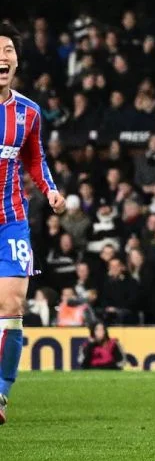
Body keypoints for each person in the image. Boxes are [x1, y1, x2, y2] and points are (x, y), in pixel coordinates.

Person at [0, 22, 67, 425]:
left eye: (8, 50)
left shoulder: (28, 112)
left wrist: (51, 190)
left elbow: (34, 158)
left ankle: (1, 392)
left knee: (13, 306)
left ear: (17, 60)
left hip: (11, 221)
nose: (2, 57)